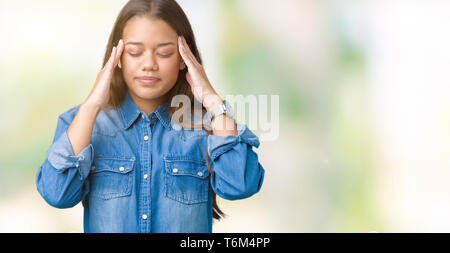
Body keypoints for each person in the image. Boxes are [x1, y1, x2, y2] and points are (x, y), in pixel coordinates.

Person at [35, 0, 265, 233]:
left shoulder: (209, 125)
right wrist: (92, 104)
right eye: (135, 52)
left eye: (164, 53)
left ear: (185, 60)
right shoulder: (83, 123)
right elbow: (57, 194)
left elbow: (240, 185)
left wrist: (212, 100)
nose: (149, 65)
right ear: (118, 58)